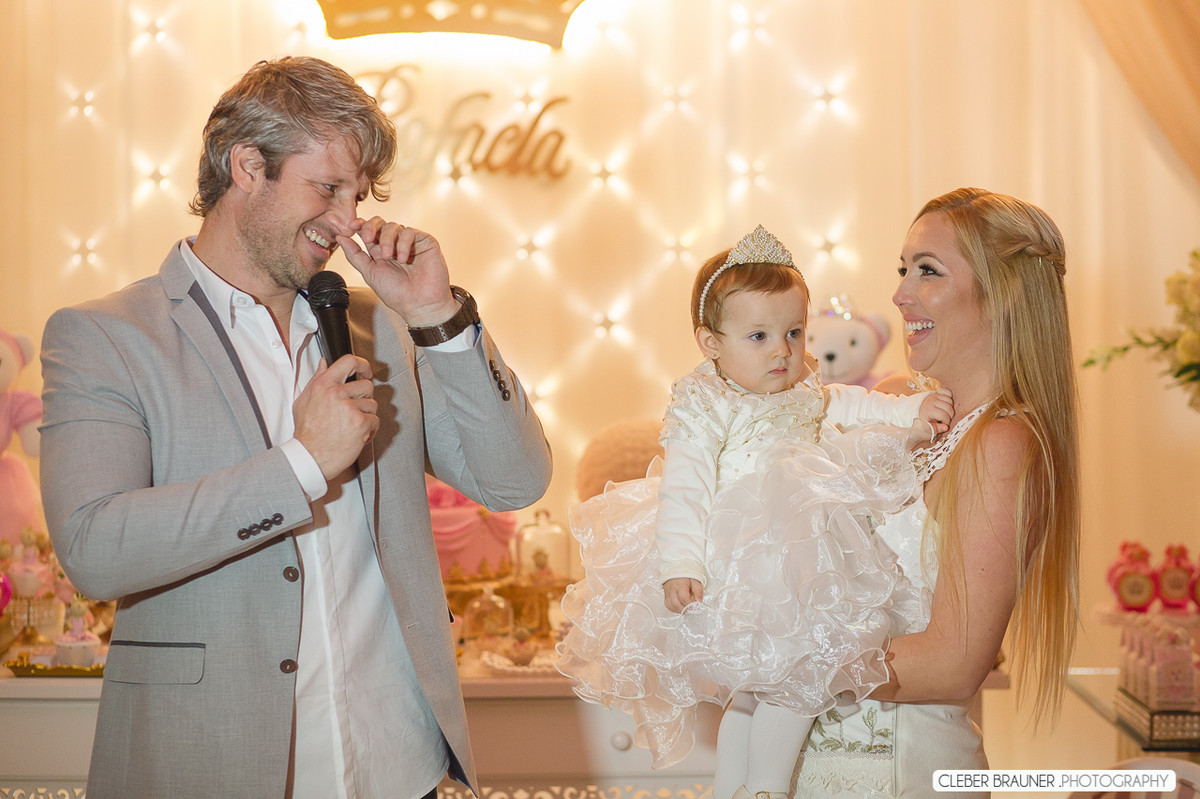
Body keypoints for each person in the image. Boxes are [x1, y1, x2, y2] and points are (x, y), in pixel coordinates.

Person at [39, 56, 552, 799]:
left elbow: (515, 482)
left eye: (358, 196)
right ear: (248, 166)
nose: (348, 221)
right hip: (211, 768)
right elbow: (95, 549)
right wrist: (302, 464)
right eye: (328, 188)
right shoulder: (107, 336)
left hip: (398, 768)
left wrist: (437, 317)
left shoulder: (383, 328)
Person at [556, 226, 954, 799]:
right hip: (740, 560)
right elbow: (684, 489)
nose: (782, 351)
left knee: (766, 685)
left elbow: (854, 402)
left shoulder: (802, 385)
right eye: (759, 336)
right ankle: (761, 788)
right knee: (789, 682)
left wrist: (912, 407)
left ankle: (743, 790)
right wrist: (679, 564)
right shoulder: (705, 401)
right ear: (710, 342)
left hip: (799, 555)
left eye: (794, 332)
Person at [792, 188, 1081, 798]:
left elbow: (953, 663)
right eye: (903, 270)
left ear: (1005, 292)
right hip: (810, 764)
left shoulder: (1003, 444)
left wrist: (783, 662)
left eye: (928, 270)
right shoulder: (895, 404)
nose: (901, 294)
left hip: (900, 776)